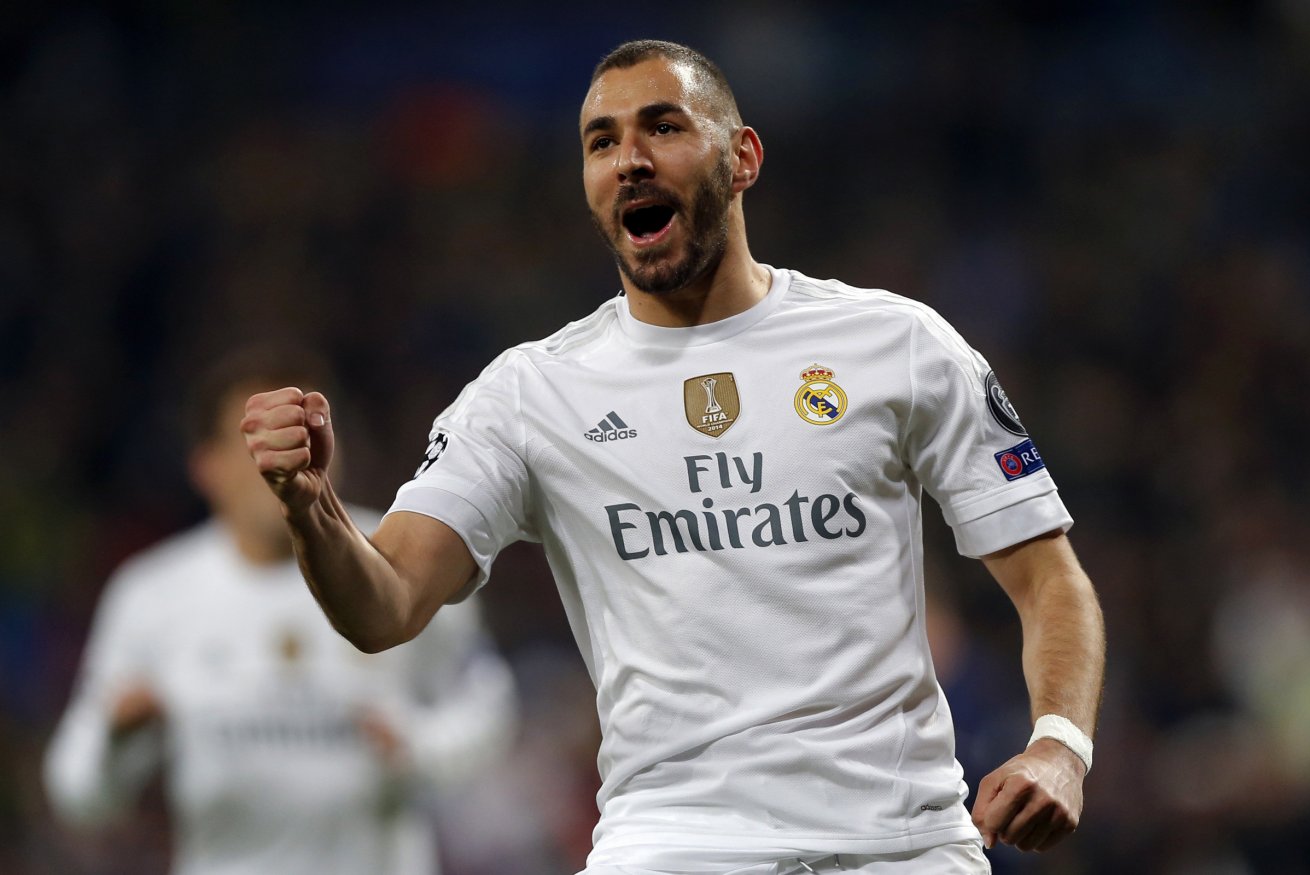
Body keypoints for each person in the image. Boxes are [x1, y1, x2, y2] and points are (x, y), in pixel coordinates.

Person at [241, 40, 1106, 874]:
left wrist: (1060, 746)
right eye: (602, 142)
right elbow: (386, 605)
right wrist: (311, 505)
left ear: (743, 157)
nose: (630, 159)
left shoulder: (898, 345)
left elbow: (1049, 578)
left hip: (901, 843)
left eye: (663, 126)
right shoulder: (529, 395)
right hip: (672, 842)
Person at [45, 349, 517, 875]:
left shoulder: (399, 560)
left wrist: (419, 748)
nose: (286, 462)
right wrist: (116, 739)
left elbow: (486, 705)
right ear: (208, 467)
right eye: (261, 443)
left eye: (304, 437)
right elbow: (78, 792)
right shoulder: (153, 595)